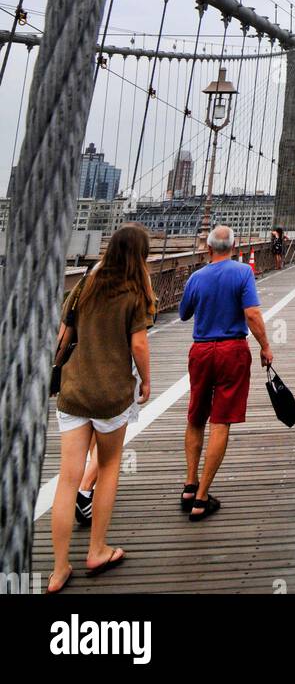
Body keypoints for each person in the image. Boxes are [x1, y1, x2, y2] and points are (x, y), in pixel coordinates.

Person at [48, 223, 154, 593]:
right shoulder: (134, 292)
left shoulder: (85, 285)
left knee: (67, 479)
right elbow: (139, 346)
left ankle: (59, 568)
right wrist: (148, 381)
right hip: (111, 396)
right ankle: (96, 550)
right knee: (108, 468)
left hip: (74, 391)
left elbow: (65, 331)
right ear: (139, 256)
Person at [179, 225, 273, 521]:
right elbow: (252, 314)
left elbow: (184, 313)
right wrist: (265, 346)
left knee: (196, 417)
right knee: (220, 422)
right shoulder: (243, 272)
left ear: (208, 249)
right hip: (232, 350)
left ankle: (189, 484)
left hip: (202, 351)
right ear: (234, 248)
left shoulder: (196, 277)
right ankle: (202, 498)